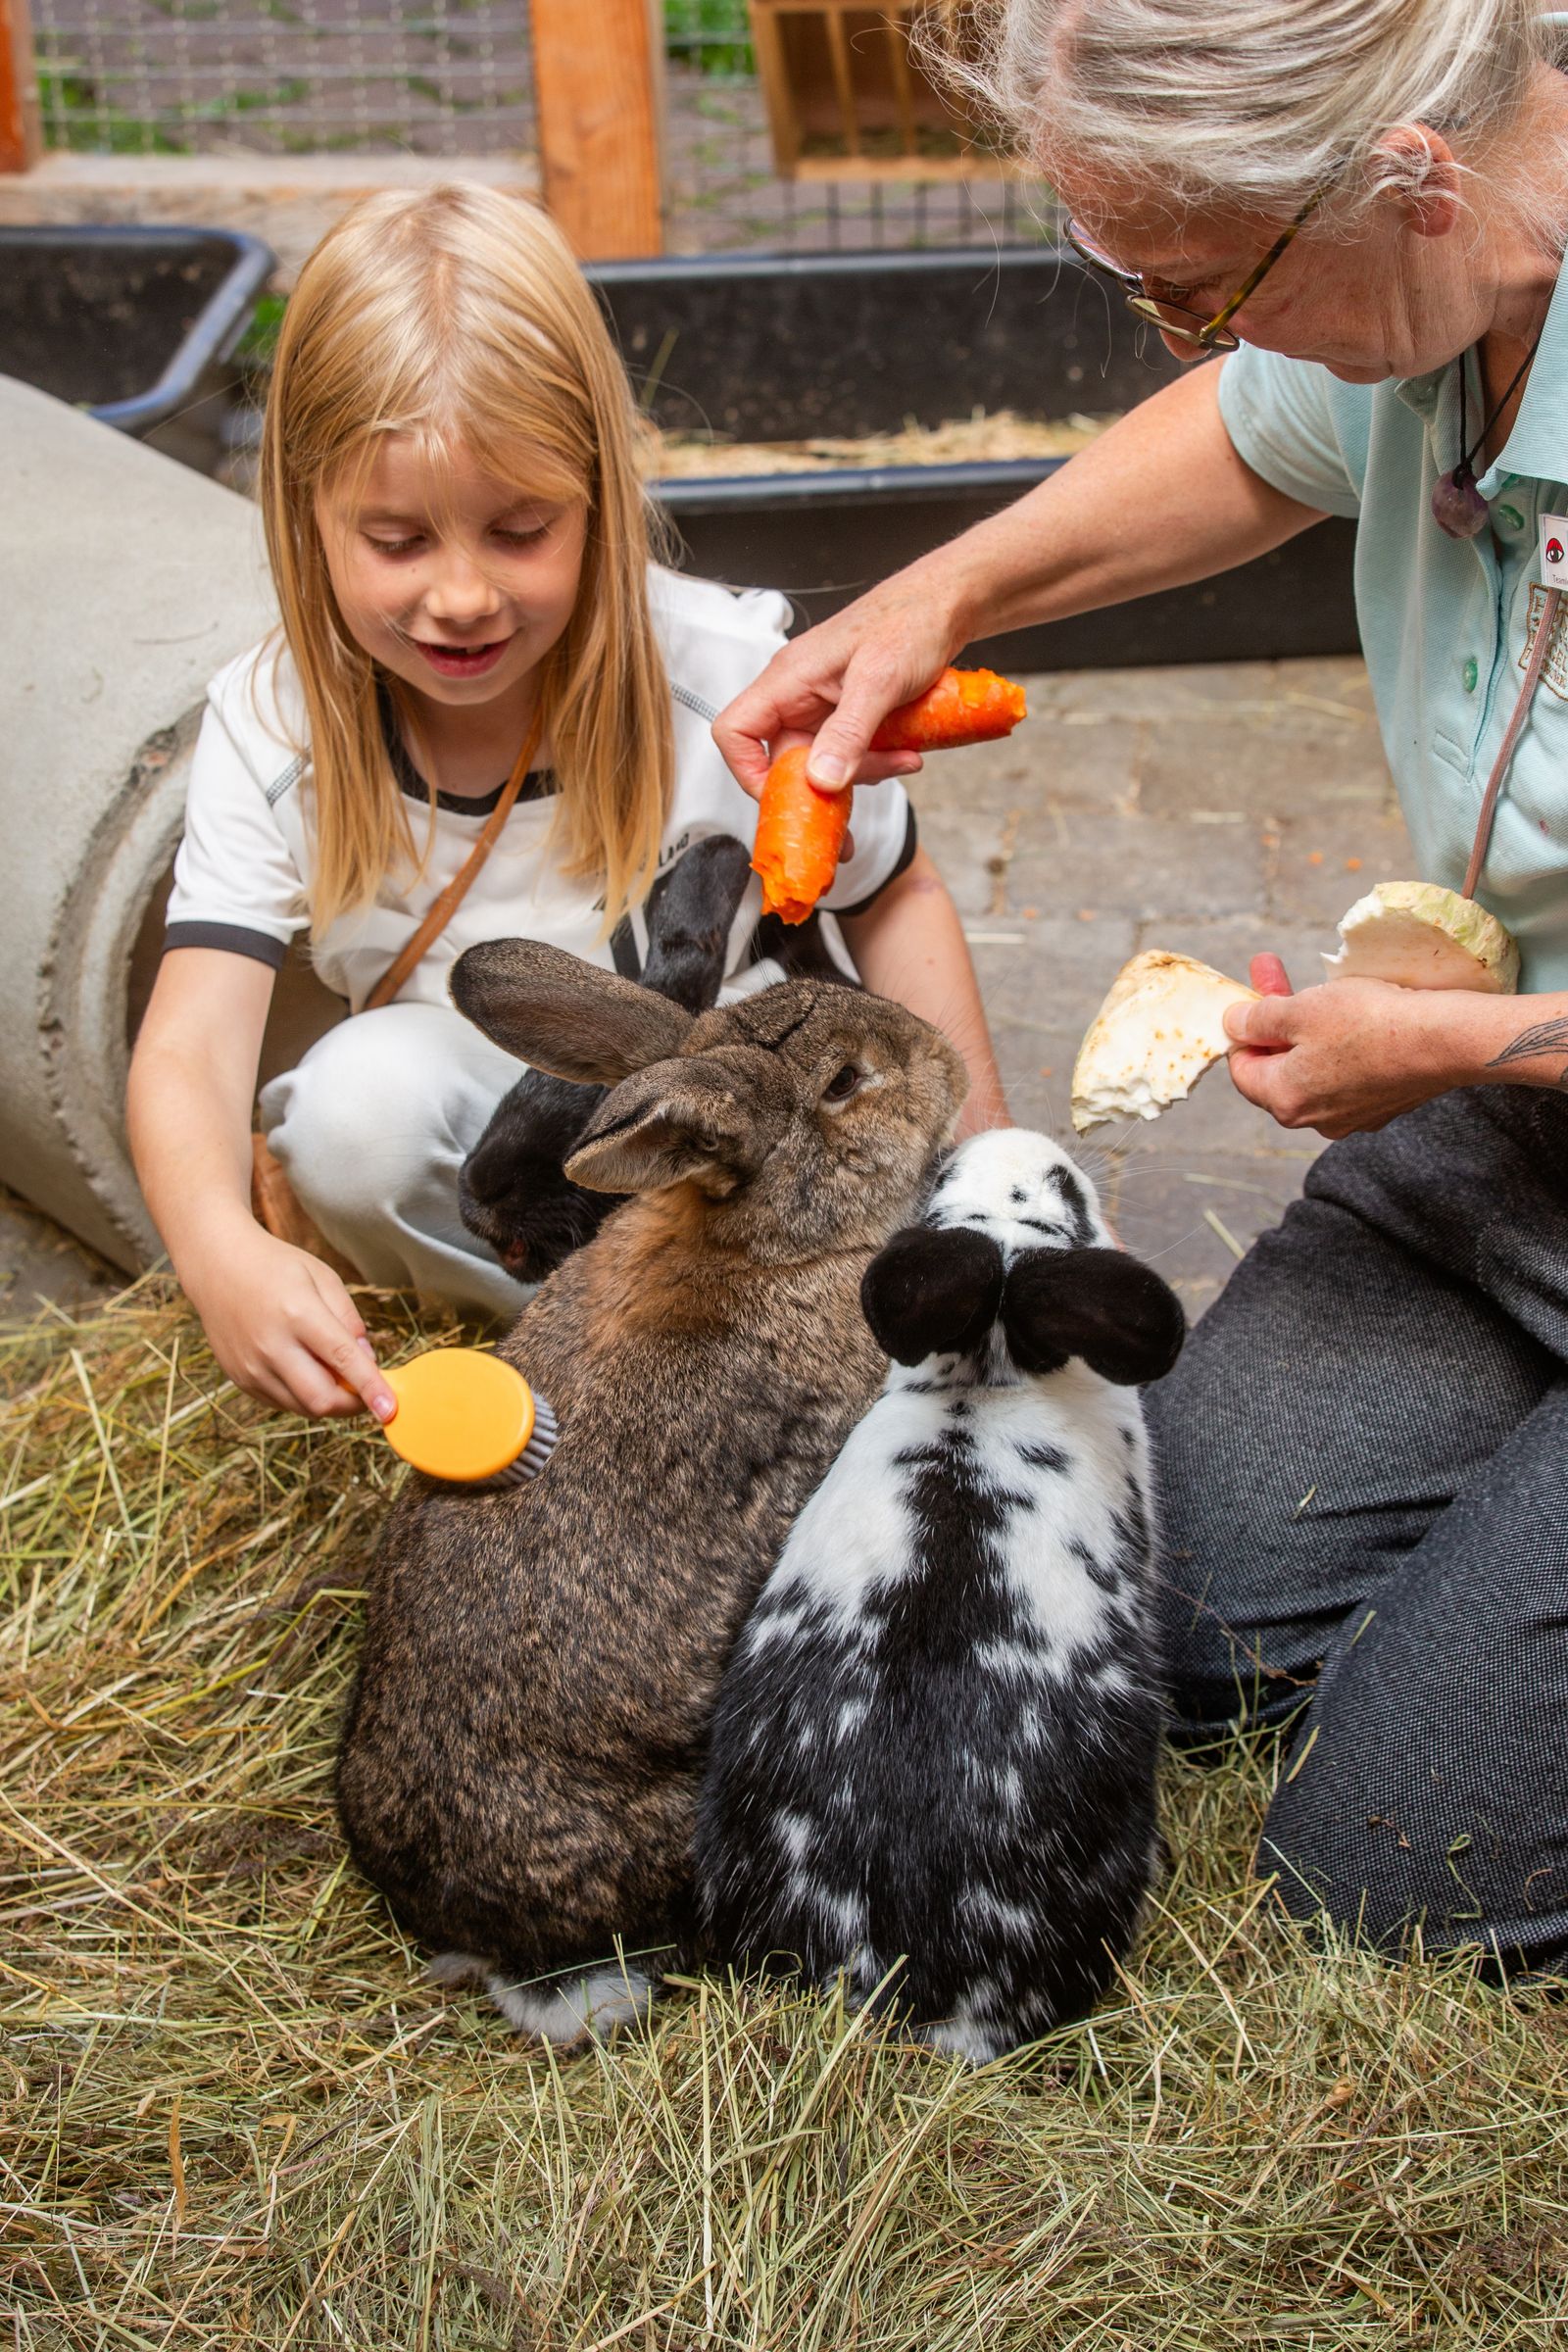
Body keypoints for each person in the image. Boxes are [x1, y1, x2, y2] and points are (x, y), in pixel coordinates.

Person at [713, 0, 1568, 1975]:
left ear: (1403, 182)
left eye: (1197, 287)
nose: (1184, 340)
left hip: (1488, 1061)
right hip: (1513, 1144)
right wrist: (931, 595)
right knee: (1168, 1630)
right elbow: (1256, 432)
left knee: (1387, 1884)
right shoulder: (1428, 292)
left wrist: (1439, 1043)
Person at [126, 184, 1005, 1428]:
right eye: (395, 540)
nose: (462, 596)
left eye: (519, 529)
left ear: (596, 489)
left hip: (745, 1146)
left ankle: (776, 1366)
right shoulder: (273, 722)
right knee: (350, 1116)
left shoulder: (728, 677)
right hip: (488, 1157)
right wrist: (216, 1252)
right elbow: (189, 1041)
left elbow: (890, 887)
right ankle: (557, 1377)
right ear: (304, 514)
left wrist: (993, 1183)